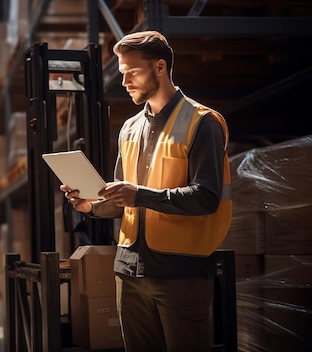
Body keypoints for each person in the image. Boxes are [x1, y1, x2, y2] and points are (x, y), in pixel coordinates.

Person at [61, 30, 232, 352]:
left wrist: (140, 194)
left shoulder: (202, 122)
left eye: (133, 72)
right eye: (123, 73)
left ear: (160, 68)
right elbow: (120, 200)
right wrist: (90, 206)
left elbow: (207, 197)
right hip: (128, 272)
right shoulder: (130, 128)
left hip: (180, 272)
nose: (125, 81)